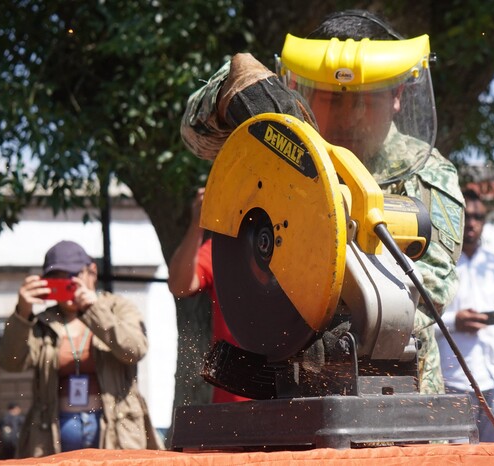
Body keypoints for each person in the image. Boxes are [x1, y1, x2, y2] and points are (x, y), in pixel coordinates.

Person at [180, 9, 465, 395]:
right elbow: (196, 133)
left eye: (365, 99)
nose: (348, 115)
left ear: (397, 94)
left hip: (400, 392)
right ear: (302, 89)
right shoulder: (278, 154)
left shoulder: (429, 174)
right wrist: (238, 89)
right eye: (330, 97)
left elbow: (429, 289)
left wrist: (330, 316)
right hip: (285, 393)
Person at [0, 240, 164, 457]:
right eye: (55, 278)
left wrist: (94, 310)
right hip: (53, 432)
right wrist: (22, 313)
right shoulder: (42, 321)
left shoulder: (117, 308)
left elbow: (135, 350)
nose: (65, 282)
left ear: (91, 271)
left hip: (117, 428)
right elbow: (11, 363)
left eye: (70, 276)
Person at [435, 188, 494, 442]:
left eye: (479, 217)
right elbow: (420, 323)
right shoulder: (439, 267)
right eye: (467, 216)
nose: (473, 223)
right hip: (453, 382)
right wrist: (455, 322)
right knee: (458, 459)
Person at [167, 188, 250, 403]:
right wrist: (198, 223)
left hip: (288, 394)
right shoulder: (223, 248)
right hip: (232, 401)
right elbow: (179, 285)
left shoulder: (297, 247)